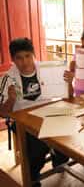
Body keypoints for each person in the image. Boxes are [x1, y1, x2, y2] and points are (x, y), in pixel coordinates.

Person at [0, 38, 69, 187]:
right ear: (13, 59)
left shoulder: (46, 69)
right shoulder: (8, 78)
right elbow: (3, 114)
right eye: (19, 58)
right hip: (22, 120)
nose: (24, 62)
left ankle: (59, 158)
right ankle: (33, 177)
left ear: (34, 55)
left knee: (69, 132)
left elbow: (67, 97)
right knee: (38, 145)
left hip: (48, 114)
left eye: (28, 56)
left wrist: (68, 83)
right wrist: (11, 100)